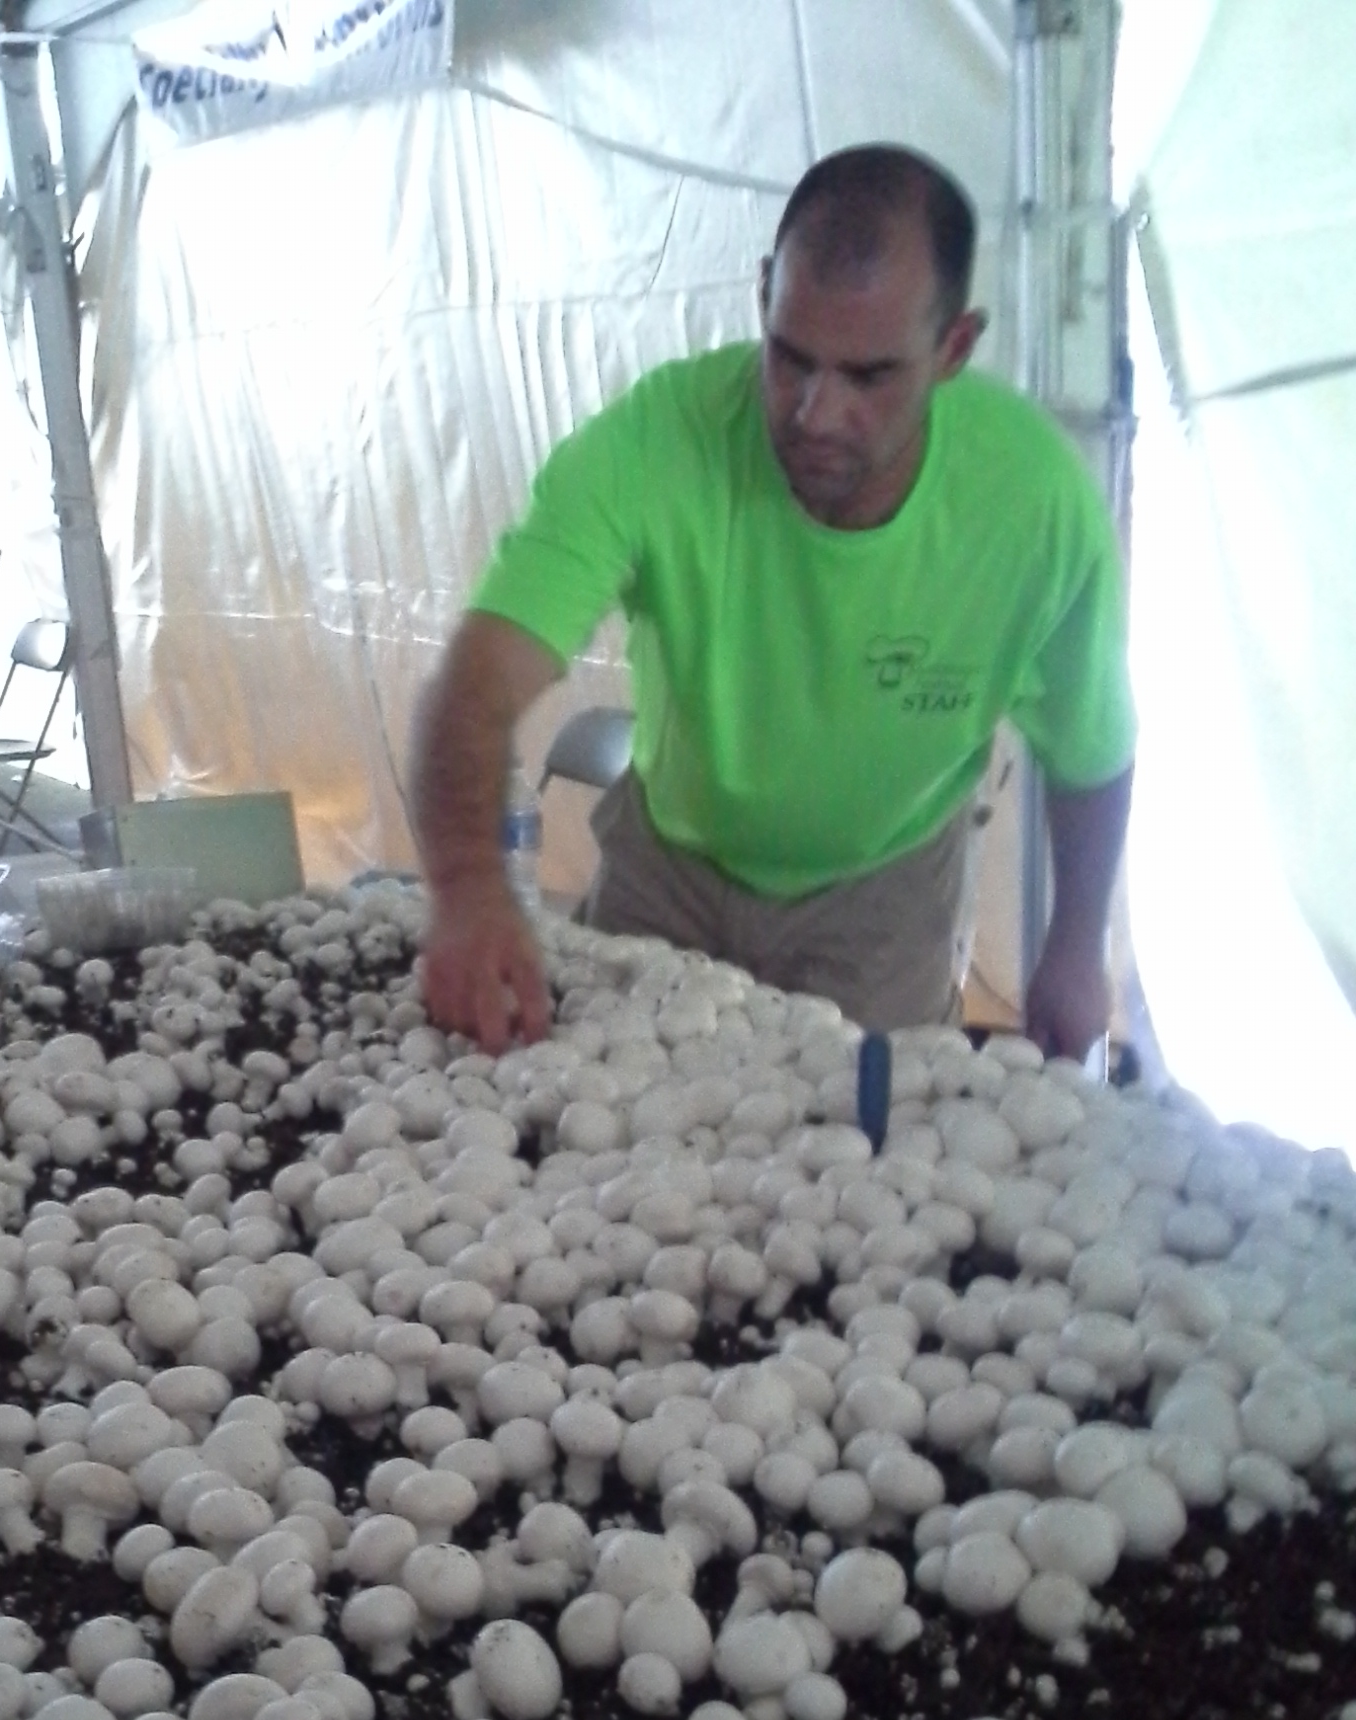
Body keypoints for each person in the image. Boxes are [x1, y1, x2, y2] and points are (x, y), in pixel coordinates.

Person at [411, 145, 1137, 1059]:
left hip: (886, 893)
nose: (816, 413)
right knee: (609, 1137)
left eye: (869, 376)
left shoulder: (1034, 505)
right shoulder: (657, 443)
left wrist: (1075, 947)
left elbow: (1092, 747)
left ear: (953, 348)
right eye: (790, 359)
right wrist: (469, 886)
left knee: (863, 1161)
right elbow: (479, 677)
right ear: (764, 296)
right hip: (669, 866)